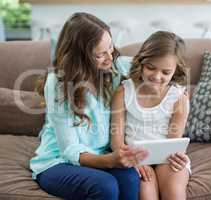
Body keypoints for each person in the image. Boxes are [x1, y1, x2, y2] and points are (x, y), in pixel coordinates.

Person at [29, 12, 148, 200]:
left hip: (101, 154)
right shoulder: (58, 84)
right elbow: (69, 149)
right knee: (105, 186)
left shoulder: (117, 68)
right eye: (100, 54)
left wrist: (177, 86)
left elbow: (155, 65)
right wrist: (110, 161)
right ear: (79, 57)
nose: (110, 57)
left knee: (131, 179)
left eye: (110, 47)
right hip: (58, 162)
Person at [111, 31, 191, 200]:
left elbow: (173, 141)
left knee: (174, 193)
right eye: (151, 68)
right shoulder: (124, 92)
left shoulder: (178, 98)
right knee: (146, 192)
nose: (156, 76)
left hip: (167, 158)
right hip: (134, 158)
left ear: (175, 71)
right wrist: (132, 161)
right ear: (141, 62)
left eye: (165, 72)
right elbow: (116, 141)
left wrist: (177, 156)